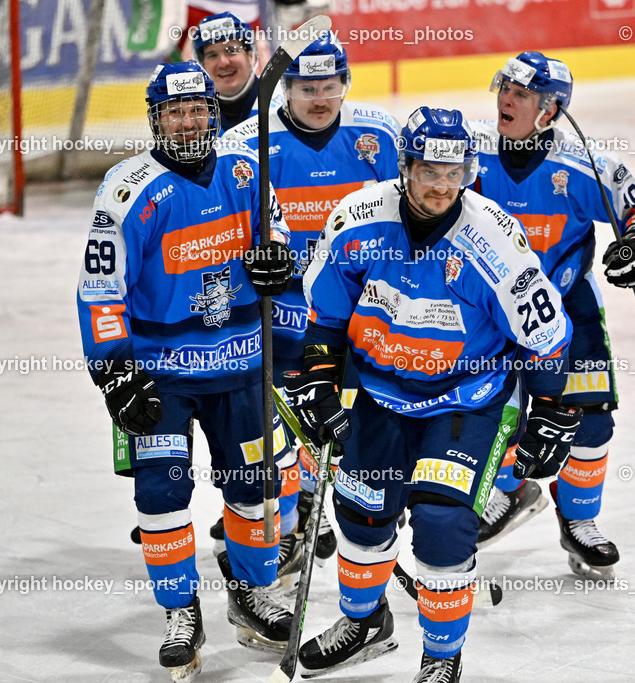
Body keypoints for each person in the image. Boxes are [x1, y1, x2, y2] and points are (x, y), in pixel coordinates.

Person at [283, 107, 579, 683]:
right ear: (405, 167)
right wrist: (317, 380)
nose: (443, 186)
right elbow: (326, 318)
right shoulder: (356, 219)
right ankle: (365, 624)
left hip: (468, 400)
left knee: (443, 525)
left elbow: (544, 334)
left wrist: (551, 409)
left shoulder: (493, 238)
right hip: (381, 394)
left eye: (455, 172)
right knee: (364, 518)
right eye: (429, 172)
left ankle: (441, 660)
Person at [76, 61, 297, 681]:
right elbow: (100, 289)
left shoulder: (246, 170)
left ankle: (252, 593)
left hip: (241, 366)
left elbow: (274, 238)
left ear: (212, 112)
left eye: (198, 109)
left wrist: (277, 262)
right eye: (175, 112)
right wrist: (115, 371)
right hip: (160, 376)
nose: (188, 121)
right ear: (156, 119)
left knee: (255, 490)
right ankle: (180, 611)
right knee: (161, 495)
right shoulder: (127, 189)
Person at [469, 52, 635, 580]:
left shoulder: (582, 164)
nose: (505, 101)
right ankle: (509, 491)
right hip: (489, 311)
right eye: (503, 89)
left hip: (567, 308)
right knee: (495, 414)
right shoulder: (470, 151)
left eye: (521, 95)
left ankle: (579, 521)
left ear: (550, 110)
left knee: (592, 418)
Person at [223, 32, 401, 564]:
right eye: (306, 87)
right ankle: (287, 525)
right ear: (284, 91)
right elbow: (223, 227)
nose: (319, 98)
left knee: (350, 426)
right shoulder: (247, 144)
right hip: (281, 314)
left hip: (360, 313)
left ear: (346, 84)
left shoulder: (379, 136)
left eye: (330, 85)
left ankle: (344, 519)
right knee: (277, 431)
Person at [193, 12, 261, 131]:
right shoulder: (191, 117)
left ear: (250, 56)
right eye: (212, 55)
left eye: (231, 51)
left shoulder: (284, 104)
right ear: (203, 66)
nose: (223, 63)